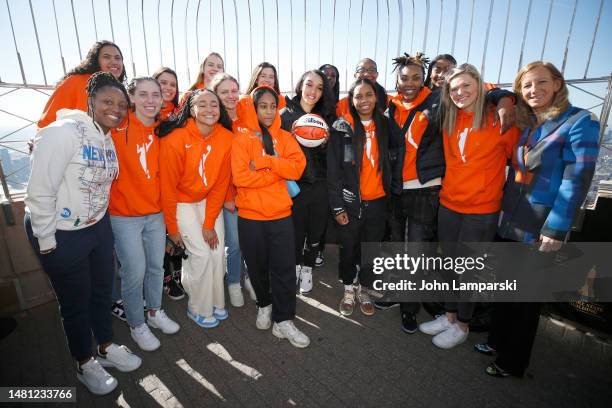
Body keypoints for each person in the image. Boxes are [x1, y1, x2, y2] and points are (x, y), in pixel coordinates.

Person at [475, 61, 601, 377]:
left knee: (524, 299)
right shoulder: (531, 124)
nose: (534, 90)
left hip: (541, 227)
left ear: (558, 83)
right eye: (527, 85)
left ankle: (512, 363)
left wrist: (556, 228)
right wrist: (504, 98)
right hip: (510, 221)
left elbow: (577, 178)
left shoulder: (579, 121)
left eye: (541, 82)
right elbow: (491, 90)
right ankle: (496, 342)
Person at [25, 72, 141, 395]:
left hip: (97, 228)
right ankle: (83, 361)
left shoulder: (106, 139)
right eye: (107, 101)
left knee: (102, 290)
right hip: (60, 233)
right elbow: (39, 192)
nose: (116, 109)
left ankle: (105, 346)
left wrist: (101, 228)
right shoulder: (62, 133)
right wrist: (48, 243)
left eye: (121, 105)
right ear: (90, 101)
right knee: (74, 302)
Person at [418, 64, 520, 349]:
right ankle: (449, 315)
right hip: (449, 204)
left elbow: (521, 161)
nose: (460, 93)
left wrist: (504, 98)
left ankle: (463, 324)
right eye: (454, 89)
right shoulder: (450, 118)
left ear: (480, 85)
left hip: (482, 210)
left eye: (466, 86)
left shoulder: (499, 119)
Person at [232, 86, 309, 348]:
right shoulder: (241, 138)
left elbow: (297, 169)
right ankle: (264, 304)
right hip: (251, 217)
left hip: (280, 216)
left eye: (271, 106)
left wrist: (267, 163)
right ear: (254, 108)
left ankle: (284, 320)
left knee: (285, 270)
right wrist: (278, 171)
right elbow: (240, 177)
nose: (267, 111)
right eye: (262, 105)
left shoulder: (286, 137)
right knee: (257, 268)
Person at [109, 77, 180, 352]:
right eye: (144, 94)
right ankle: (137, 325)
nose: (150, 100)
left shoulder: (165, 129)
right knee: (133, 272)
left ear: (162, 100)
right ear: (133, 97)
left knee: (156, 267)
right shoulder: (118, 125)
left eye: (156, 95)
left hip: (155, 213)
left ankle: (154, 312)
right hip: (124, 214)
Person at [373, 52, 442, 333]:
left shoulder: (439, 101)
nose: (410, 82)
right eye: (404, 78)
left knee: (415, 251)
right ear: (397, 80)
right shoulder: (390, 106)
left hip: (424, 190)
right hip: (395, 189)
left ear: (424, 78)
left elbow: (480, 89)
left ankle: (409, 308)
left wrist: (503, 97)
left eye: (416, 77)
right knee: (392, 245)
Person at [158, 89, 233, 328]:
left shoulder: (225, 137)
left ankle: (216, 301)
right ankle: (198, 307)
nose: (210, 109)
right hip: (181, 201)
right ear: (191, 109)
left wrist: (209, 224)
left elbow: (221, 184)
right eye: (203, 104)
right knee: (200, 254)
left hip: (208, 200)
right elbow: (168, 189)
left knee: (217, 252)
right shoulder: (175, 139)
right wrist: (171, 228)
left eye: (214, 104)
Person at [327, 78, 393, 317]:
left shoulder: (386, 125)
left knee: (371, 251)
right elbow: (333, 171)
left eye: (368, 94)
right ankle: (347, 289)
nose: (363, 100)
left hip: (378, 202)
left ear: (376, 97)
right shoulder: (342, 127)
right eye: (358, 96)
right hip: (349, 203)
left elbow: (398, 156)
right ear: (351, 100)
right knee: (348, 249)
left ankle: (364, 289)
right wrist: (337, 206)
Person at [281, 70, 336, 294]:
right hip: (295, 186)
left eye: (319, 88)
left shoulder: (327, 118)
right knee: (294, 232)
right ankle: (294, 266)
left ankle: (308, 268)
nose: (313, 91)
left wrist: (326, 143)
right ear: (300, 86)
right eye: (309, 85)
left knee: (316, 232)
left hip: (320, 184)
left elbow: (335, 158)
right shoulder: (284, 116)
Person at [208, 72, 257, 305]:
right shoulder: (214, 124)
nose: (230, 95)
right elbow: (218, 168)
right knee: (235, 243)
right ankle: (234, 282)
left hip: (253, 191)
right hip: (229, 194)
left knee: (253, 241)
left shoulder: (248, 115)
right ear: (216, 95)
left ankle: (251, 279)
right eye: (224, 91)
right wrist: (227, 196)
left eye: (234, 90)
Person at [38, 41, 127, 129]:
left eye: (117, 58)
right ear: (96, 61)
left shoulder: (121, 93)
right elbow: (48, 121)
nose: (114, 61)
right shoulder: (75, 82)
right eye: (106, 57)